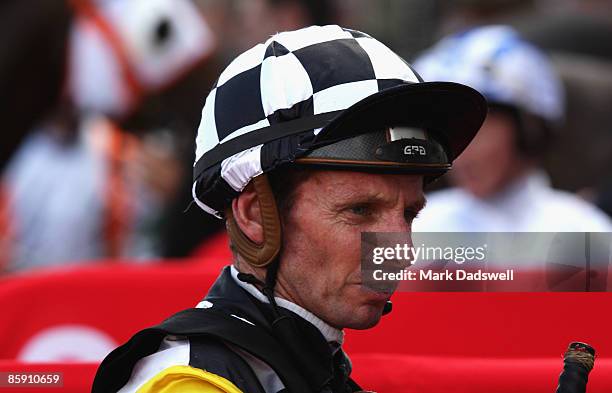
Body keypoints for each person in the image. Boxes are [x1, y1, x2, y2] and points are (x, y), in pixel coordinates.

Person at [92, 25, 486, 392]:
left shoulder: (302, 368)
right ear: (253, 214)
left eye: (409, 214)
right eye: (360, 210)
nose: (400, 251)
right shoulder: (193, 383)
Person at [412, 25, 612, 232]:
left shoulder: (583, 231)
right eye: (447, 132)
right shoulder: (417, 226)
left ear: (531, 131)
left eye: (476, 131)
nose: (460, 153)